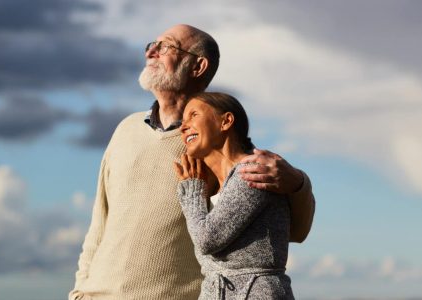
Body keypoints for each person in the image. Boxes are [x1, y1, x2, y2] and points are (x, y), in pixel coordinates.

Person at [69, 24, 315, 300]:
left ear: (198, 66)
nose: (152, 51)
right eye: (152, 45)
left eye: (167, 47)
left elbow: (294, 230)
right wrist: (80, 290)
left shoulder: (214, 146)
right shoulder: (126, 130)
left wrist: (298, 183)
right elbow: (99, 222)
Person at [175, 92, 294, 299]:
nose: (183, 127)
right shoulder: (215, 185)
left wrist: (192, 191)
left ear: (226, 121)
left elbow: (207, 240)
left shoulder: (253, 171)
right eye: (182, 121)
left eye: (193, 115)